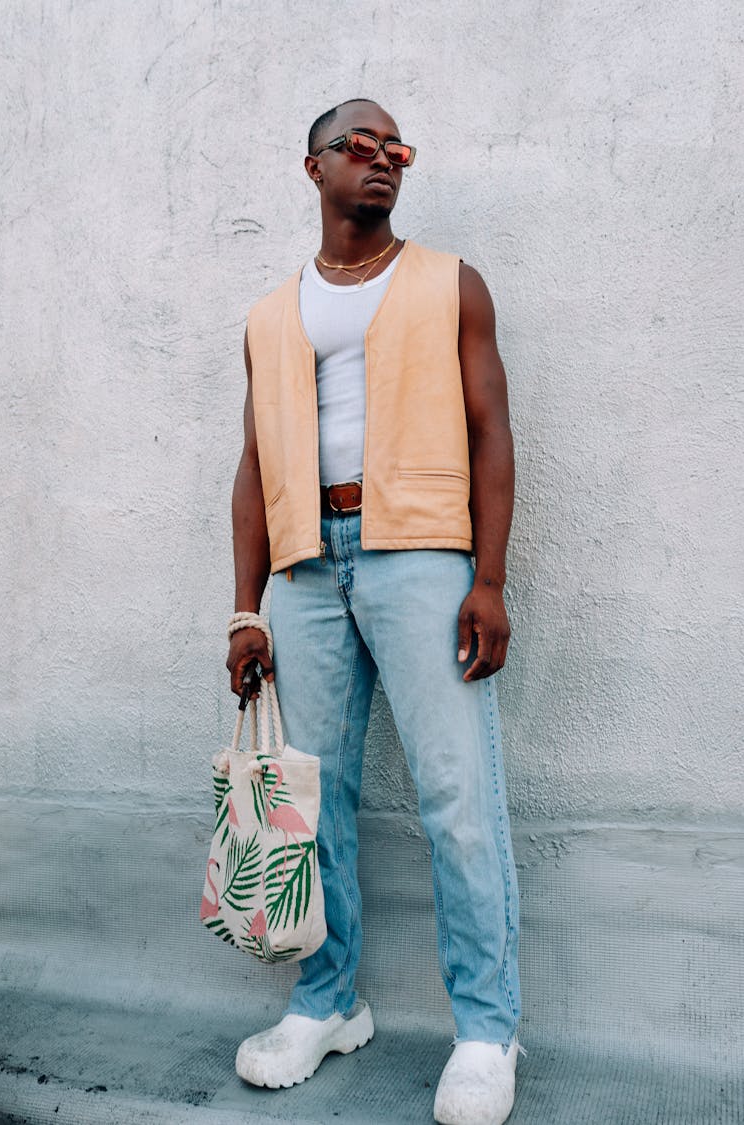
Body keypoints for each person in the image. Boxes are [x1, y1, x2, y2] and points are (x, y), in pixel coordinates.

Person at [225, 98, 523, 1125]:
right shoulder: (271, 313)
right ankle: (327, 1002)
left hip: (421, 555)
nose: (383, 163)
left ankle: (486, 1030)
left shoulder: (449, 284)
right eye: (360, 147)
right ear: (312, 169)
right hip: (305, 567)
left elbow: (492, 429)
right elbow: (255, 464)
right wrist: (243, 610)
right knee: (315, 801)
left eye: (397, 149)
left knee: (458, 799)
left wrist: (488, 577)